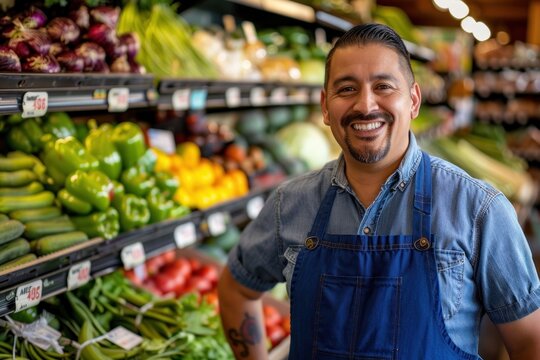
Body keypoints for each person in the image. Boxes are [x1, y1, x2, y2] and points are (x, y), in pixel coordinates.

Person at [217, 23, 540, 359]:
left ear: (413, 101)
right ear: (326, 107)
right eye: (346, 89)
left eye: (384, 86)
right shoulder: (291, 204)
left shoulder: (476, 208)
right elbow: (236, 288)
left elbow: (531, 341)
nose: (365, 105)